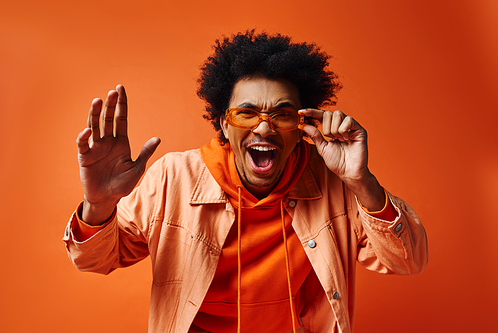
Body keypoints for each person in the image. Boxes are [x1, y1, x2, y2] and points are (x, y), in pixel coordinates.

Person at [64, 31, 428, 333]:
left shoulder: (335, 182)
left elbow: (408, 260)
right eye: (247, 113)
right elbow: (95, 261)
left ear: (301, 128)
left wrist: (361, 180)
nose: (264, 127)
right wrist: (99, 204)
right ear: (224, 123)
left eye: (283, 114)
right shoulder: (172, 178)